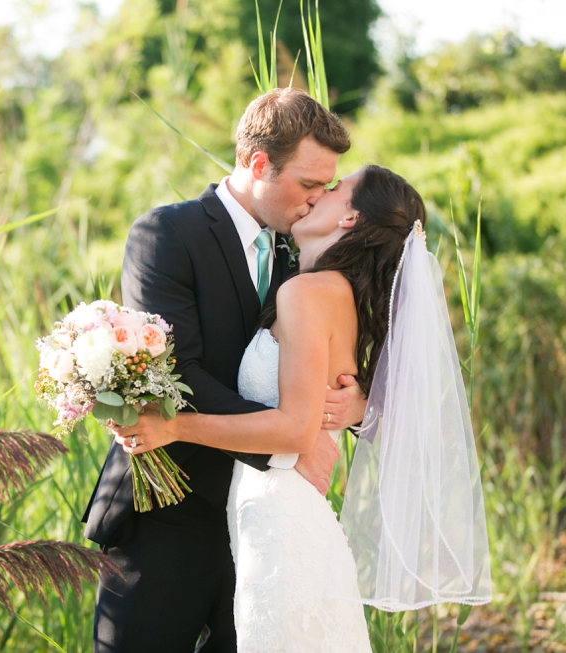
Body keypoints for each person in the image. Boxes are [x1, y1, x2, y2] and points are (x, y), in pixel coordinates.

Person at [115, 164, 493, 650]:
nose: (319, 196)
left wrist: (173, 427)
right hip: (274, 517)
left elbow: (295, 432)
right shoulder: (337, 291)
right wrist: (358, 404)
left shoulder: (307, 291)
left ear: (351, 220)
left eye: (334, 189)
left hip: (280, 519)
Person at [82, 88, 368, 653]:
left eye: (325, 188)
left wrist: (355, 402)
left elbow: (343, 351)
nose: (316, 201)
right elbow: (177, 373)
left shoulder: (306, 250)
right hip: (168, 511)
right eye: (309, 184)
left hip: (268, 527)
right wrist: (290, 436)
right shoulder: (167, 234)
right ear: (259, 164)